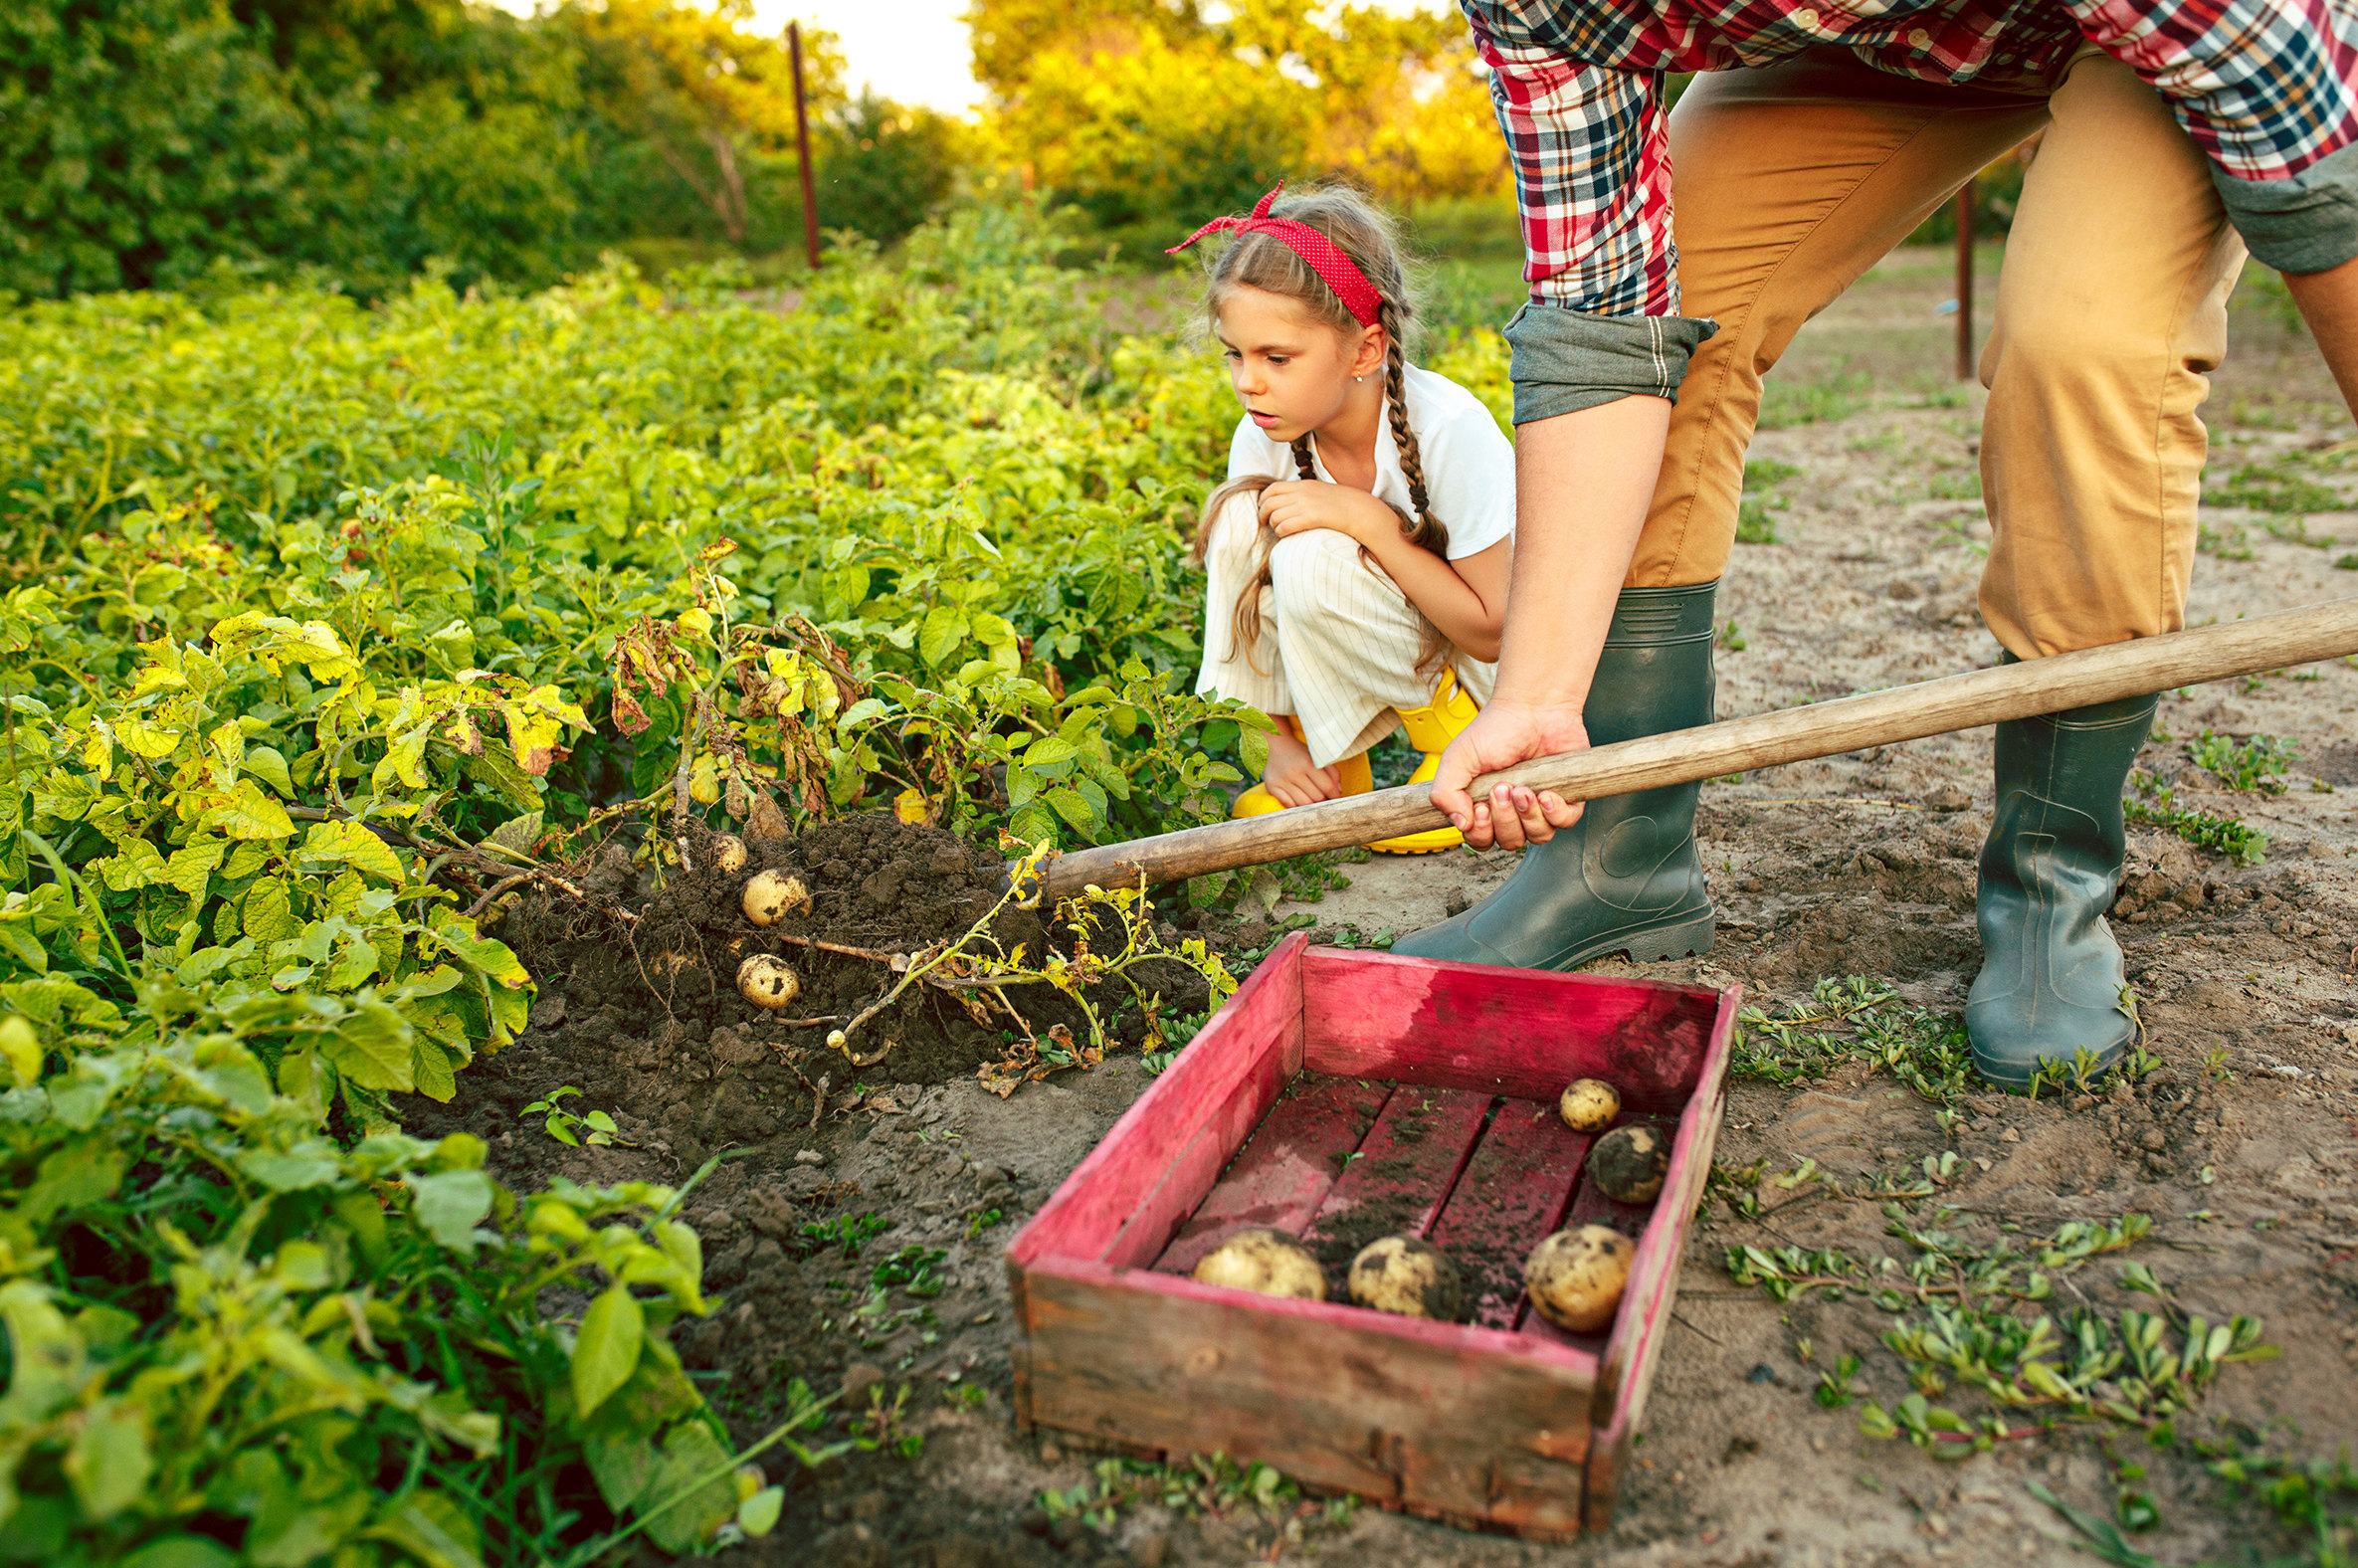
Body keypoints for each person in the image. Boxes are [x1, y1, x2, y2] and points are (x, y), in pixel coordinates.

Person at [1395, 2, 2358, 1086]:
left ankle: (2052, 884)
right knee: (1687, 305)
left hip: (2172, 38)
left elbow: (2311, 172)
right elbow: (1604, 321)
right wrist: (1533, 693)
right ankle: (1615, 851)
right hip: (1885, 39)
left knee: (2082, 343)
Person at [1179, 185, 1518, 856]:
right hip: (1387, 641)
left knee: (1307, 557)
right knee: (1241, 523)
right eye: (1235, 355)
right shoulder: (1267, 433)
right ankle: (1323, 759)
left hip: (1481, 669)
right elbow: (1237, 590)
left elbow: (1494, 631)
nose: (1248, 381)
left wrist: (1368, 519)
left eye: (1276, 358)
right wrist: (1272, 745)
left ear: (1364, 351)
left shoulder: (1448, 429)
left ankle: (1455, 740)